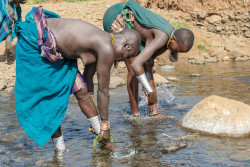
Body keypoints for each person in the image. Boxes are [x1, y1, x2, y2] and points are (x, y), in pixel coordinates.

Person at [14, 6, 141, 151]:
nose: (122, 60)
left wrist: (95, 121)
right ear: (126, 46)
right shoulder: (106, 47)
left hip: (58, 49)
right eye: (126, 57)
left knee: (81, 89)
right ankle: (60, 148)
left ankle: (104, 141)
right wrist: (105, 124)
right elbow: (103, 91)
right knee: (50, 98)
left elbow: (88, 83)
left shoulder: (101, 43)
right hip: (37, 41)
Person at [103, 1, 194, 118]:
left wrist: (153, 107)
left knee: (148, 64)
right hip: (117, 16)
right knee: (132, 69)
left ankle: (153, 112)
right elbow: (136, 65)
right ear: (174, 39)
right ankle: (135, 115)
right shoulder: (163, 36)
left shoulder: (168, 41)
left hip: (132, 29)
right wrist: (150, 92)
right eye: (179, 50)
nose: (177, 53)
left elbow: (148, 65)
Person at [0, 0, 24, 64]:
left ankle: (8, 56)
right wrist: (16, 2)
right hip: (7, 13)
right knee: (8, 34)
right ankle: (7, 59)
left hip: (2, 11)